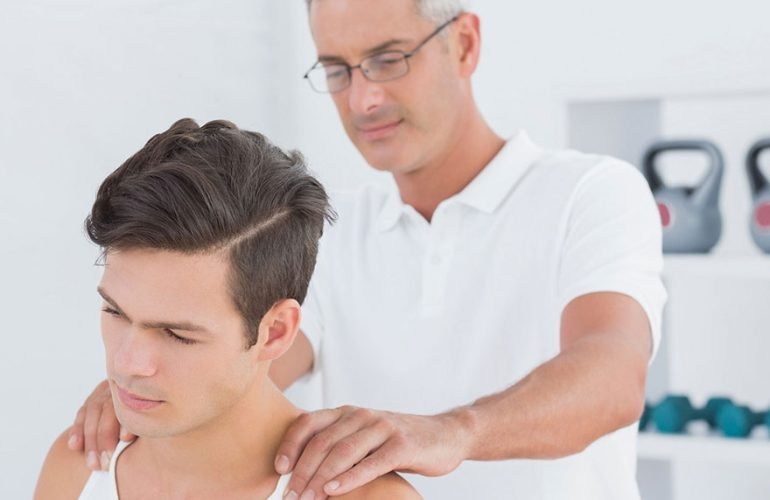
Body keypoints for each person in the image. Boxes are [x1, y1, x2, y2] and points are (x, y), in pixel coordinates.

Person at [67, 1, 668, 499]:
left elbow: (612, 374)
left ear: (463, 43)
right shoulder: (337, 226)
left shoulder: (590, 193)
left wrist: (452, 432)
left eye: (388, 60)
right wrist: (152, 376)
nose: (362, 100)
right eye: (337, 70)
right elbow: (252, 362)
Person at [34, 119, 420, 500]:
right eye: (115, 312)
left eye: (177, 334)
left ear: (276, 331)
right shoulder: (78, 471)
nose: (126, 363)